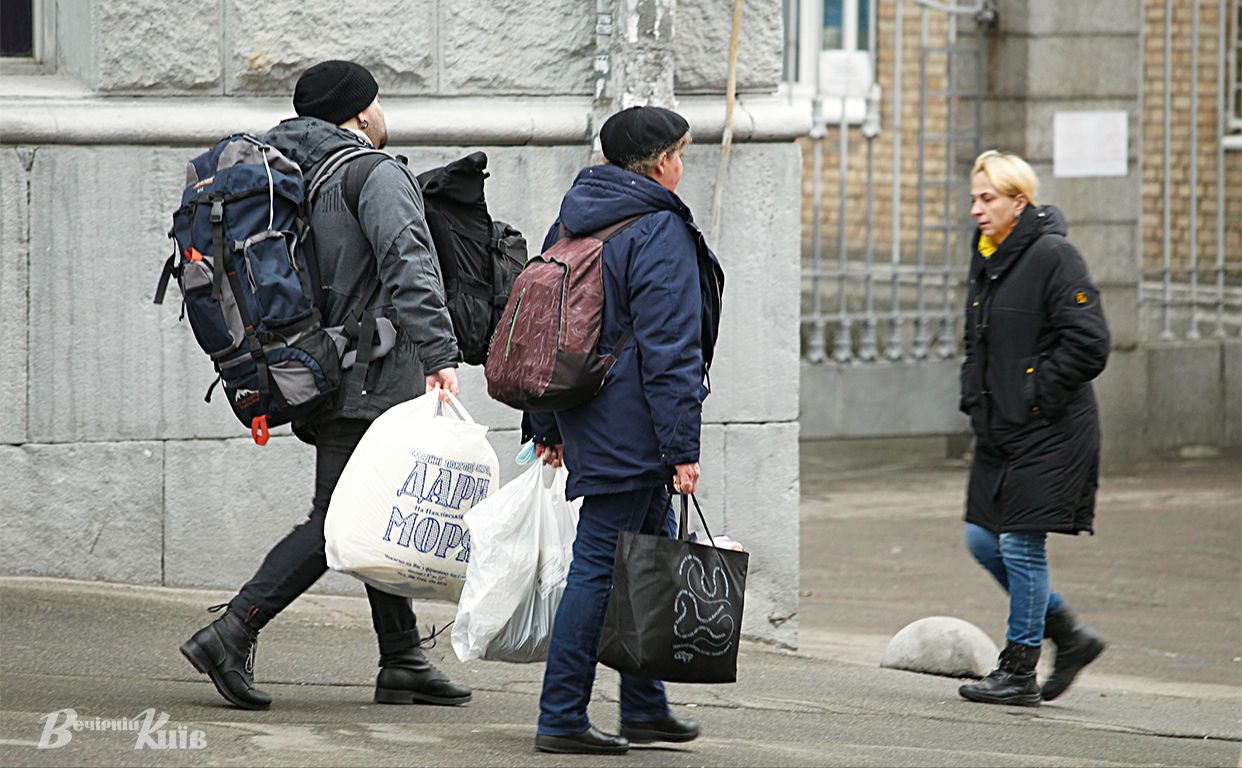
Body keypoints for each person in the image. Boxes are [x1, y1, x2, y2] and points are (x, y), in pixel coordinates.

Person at [180, 60, 470, 711]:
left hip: (315, 364)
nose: (382, 111)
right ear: (361, 111)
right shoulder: (373, 171)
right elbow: (408, 261)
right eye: (378, 101)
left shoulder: (289, 173)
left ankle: (402, 659)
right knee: (339, 518)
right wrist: (440, 353)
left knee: (375, 506)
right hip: (370, 370)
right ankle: (231, 632)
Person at [522, 105, 724, 755]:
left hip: (590, 413)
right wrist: (681, 448)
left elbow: (546, 330)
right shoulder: (659, 228)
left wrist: (548, 423)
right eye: (680, 154)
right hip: (633, 425)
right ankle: (561, 716)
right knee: (600, 566)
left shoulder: (575, 216)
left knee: (648, 553)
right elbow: (671, 349)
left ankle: (643, 705)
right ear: (661, 162)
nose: (682, 165)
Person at [957, 150, 1110, 707]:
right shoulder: (988, 254)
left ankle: (1019, 669)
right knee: (982, 539)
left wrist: (1033, 392)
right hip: (1001, 426)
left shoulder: (1053, 256)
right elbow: (980, 339)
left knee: (1021, 545)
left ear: (1019, 202)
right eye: (974, 198)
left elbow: (1090, 343)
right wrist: (978, 399)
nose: (976, 209)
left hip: (1051, 428)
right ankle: (1069, 635)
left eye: (988, 199)